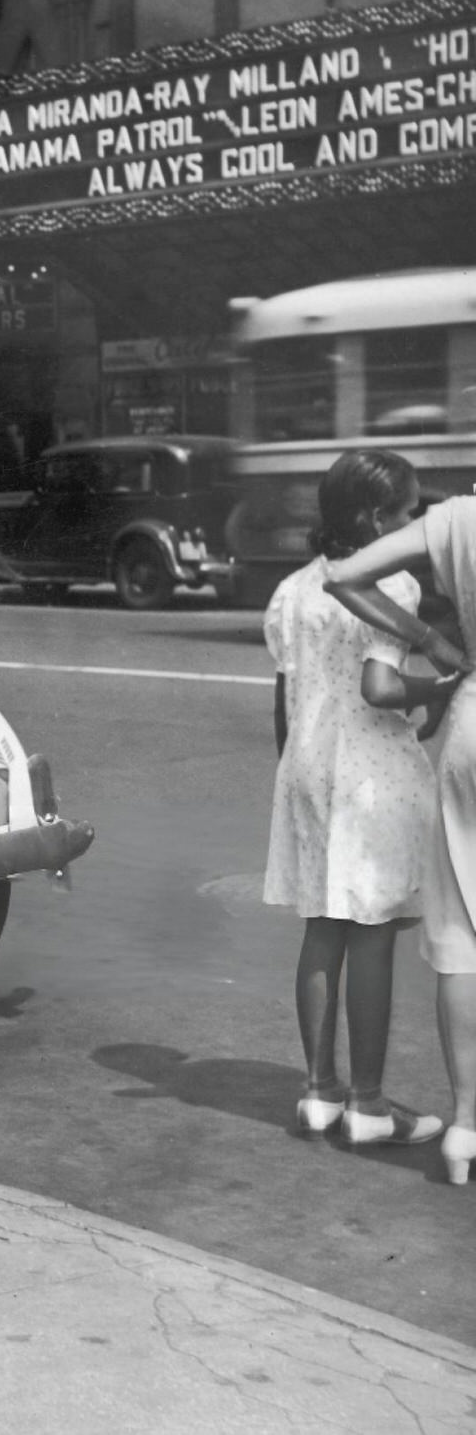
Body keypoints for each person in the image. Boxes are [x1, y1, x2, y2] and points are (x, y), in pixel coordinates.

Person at [264, 450, 458, 1150]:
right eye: (408, 513)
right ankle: (370, 1103)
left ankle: (319, 1091)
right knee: (372, 934)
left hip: (309, 769)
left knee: (322, 927)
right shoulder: (394, 586)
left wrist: (293, 775)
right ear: (377, 519)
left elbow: (285, 698)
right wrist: (441, 688)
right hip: (372, 775)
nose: (412, 525)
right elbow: (381, 688)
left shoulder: (290, 589)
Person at [326, 477, 476, 1186]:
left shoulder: (458, 521)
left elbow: (343, 574)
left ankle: (466, 1126)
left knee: (462, 941)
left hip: (470, 731)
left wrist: (428, 639)